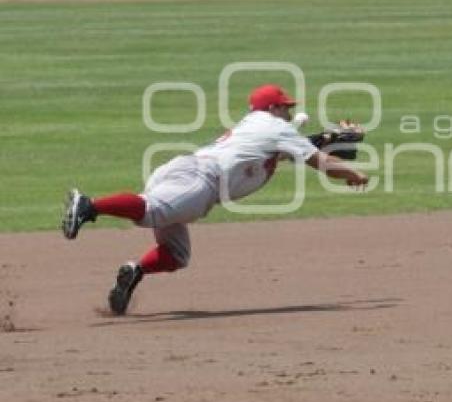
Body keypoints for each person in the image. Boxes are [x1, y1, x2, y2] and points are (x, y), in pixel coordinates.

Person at [61, 83, 369, 315]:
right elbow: (319, 162)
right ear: (273, 109)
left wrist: (327, 139)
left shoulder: (258, 127)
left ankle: (134, 271)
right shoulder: (276, 127)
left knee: (175, 254)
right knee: (149, 212)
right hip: (200, 181)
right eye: (285, 107)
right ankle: (89, 206)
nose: (288, 112)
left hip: (187, 172)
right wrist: (354, 174)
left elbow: (287, 151)